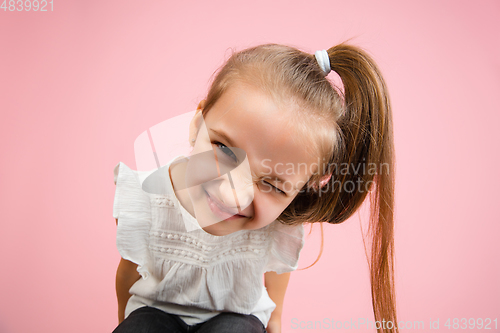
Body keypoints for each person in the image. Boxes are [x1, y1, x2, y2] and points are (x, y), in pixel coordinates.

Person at [112, 43, 397, 333]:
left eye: (272, 184)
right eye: (223, 148)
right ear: (197, 123)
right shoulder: (147, 195)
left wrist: (275, 319)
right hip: (157, 311)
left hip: (236, 315)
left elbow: (275, 271)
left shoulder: (279, 222)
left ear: (301, 190)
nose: (231, 195)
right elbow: (129, 270)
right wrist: (125, 321)